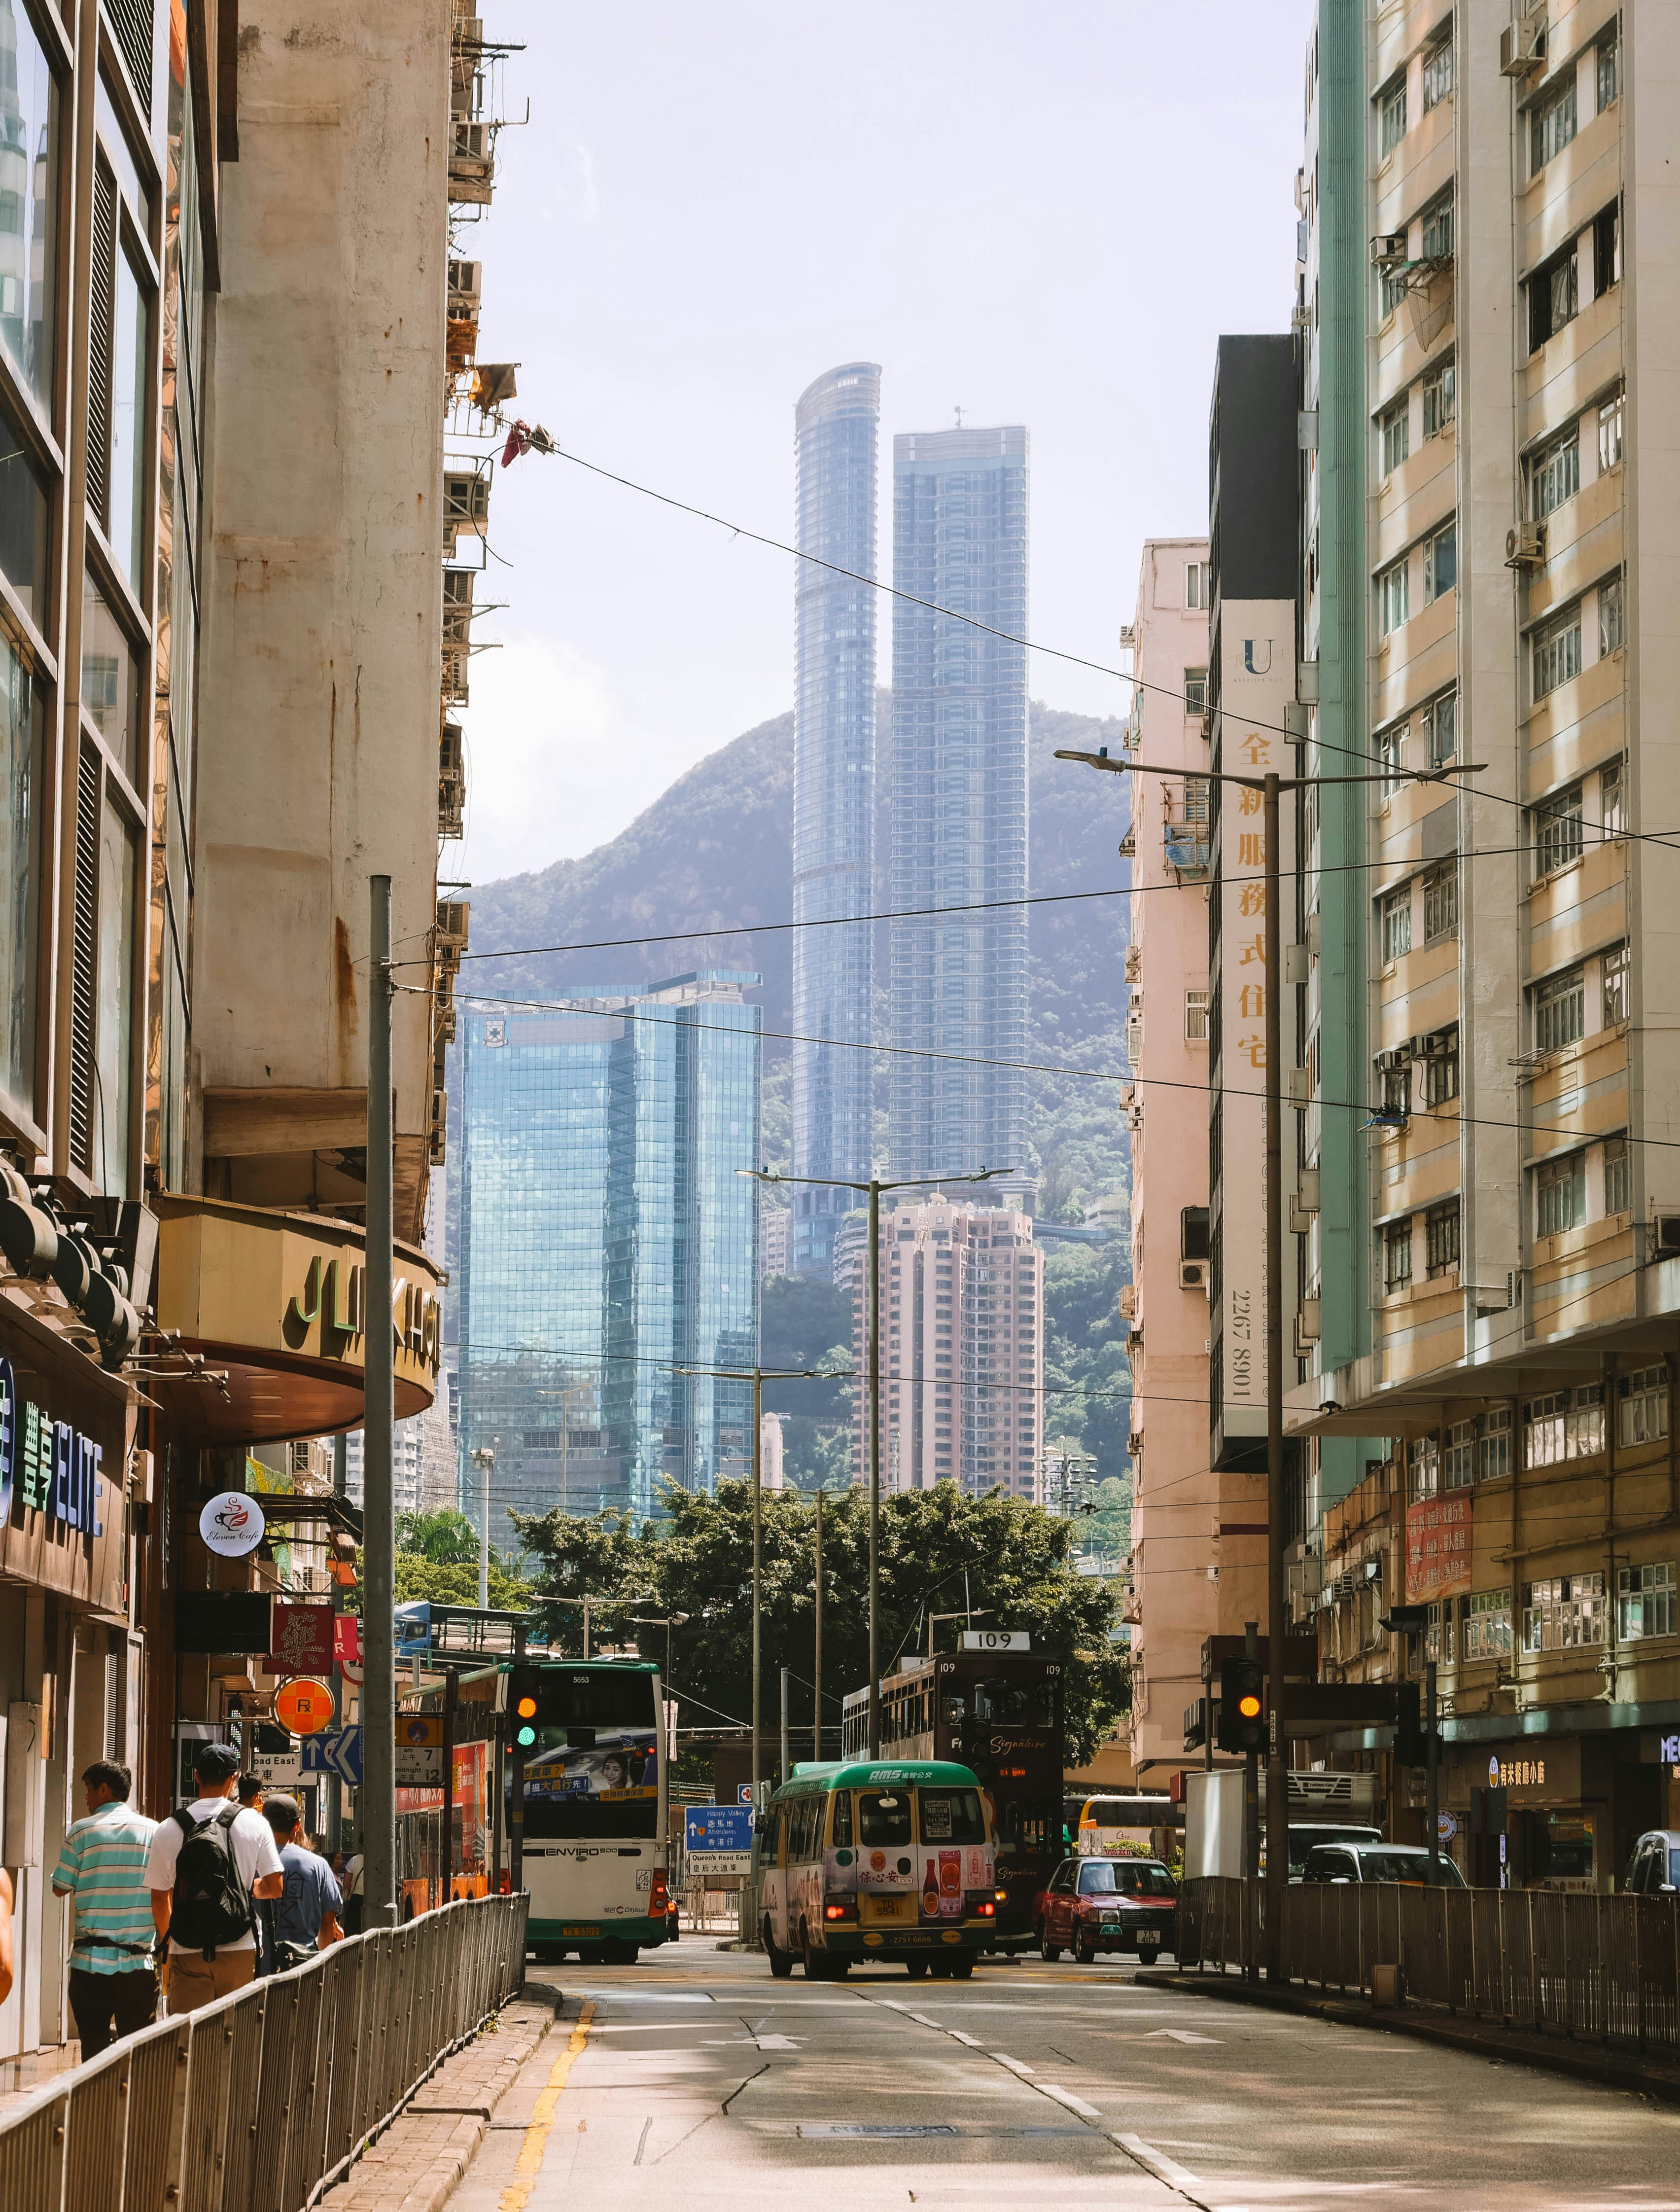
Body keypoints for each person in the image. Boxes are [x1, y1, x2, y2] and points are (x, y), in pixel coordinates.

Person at [144, 1742, 284, 2013]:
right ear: (234, 1779)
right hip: (239, 1943)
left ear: (196, 1776)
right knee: (236, 2035)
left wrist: (169, 1942)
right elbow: (274, 1887)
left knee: (189, 2037)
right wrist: (249, 1889)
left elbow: (160, 1899)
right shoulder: (255, 1823)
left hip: (187, 1948)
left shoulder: (169, 1828)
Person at [50, 1759, 160, 2058]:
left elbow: (59, 1887)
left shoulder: (81, 1832)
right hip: (138, 1966)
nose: (86, 1798)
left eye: (88, 1790)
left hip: (89, 1965)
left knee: (93, 2047)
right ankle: (134, 2103)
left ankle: (93, 2105)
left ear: (103, 1789)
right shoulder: (154, 1832)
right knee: (138, 2052)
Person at [263, 1797, 343, 1967]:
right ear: (297, 1825)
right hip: (304, 1965)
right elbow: (328, 1924)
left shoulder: (252, 1862)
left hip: (258, 1966)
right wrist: (320, 1962)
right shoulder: (318, 1865)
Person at [238, 1776, 275, 1975]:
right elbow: (274, 1886)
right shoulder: (258, 1823)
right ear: (256, 1796)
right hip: (246, 1922)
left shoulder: (224, 1817)